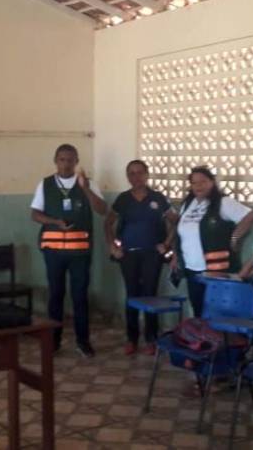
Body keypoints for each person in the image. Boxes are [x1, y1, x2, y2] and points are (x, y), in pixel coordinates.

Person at [31, 144, 107, 357]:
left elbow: (103, 210)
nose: (66, 163)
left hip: (79, 254)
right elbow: (34, 214)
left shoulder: (88, 183)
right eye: (62, 159)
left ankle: (83, 342)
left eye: (71, 160)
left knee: (80, 297)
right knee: (55, 295)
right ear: (55, 160)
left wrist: (86, 189)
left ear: (76, 161)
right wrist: (54, 221)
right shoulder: (45, 184)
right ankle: (53, 342)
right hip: (53, 252)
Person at [105, 160, 176, 356]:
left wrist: (167, 244)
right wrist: (112, 246)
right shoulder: (123, 199)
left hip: (152, 255)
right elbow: (108, 224)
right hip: (127, 254)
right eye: (131, 174)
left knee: (150, 295)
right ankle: (131, 338)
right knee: (132, 295)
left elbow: (175, 222)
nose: (136, 177)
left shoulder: (158, 198)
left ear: (147, 174)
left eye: (139, 173)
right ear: (128, 177)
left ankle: (151, 339)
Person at [171, 166, 253, 317]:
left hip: (216, 269)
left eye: (203, 181)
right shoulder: (187, 204)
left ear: (212, 182)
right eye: (194, 183)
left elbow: (250, 216)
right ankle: (202, 339)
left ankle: (217, 340)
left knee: (216, 310)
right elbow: (179, 232)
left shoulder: (223, 203)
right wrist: (175, 256)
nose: (199, 186)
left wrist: (235, 238)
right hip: (191, 268)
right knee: (198, 308)